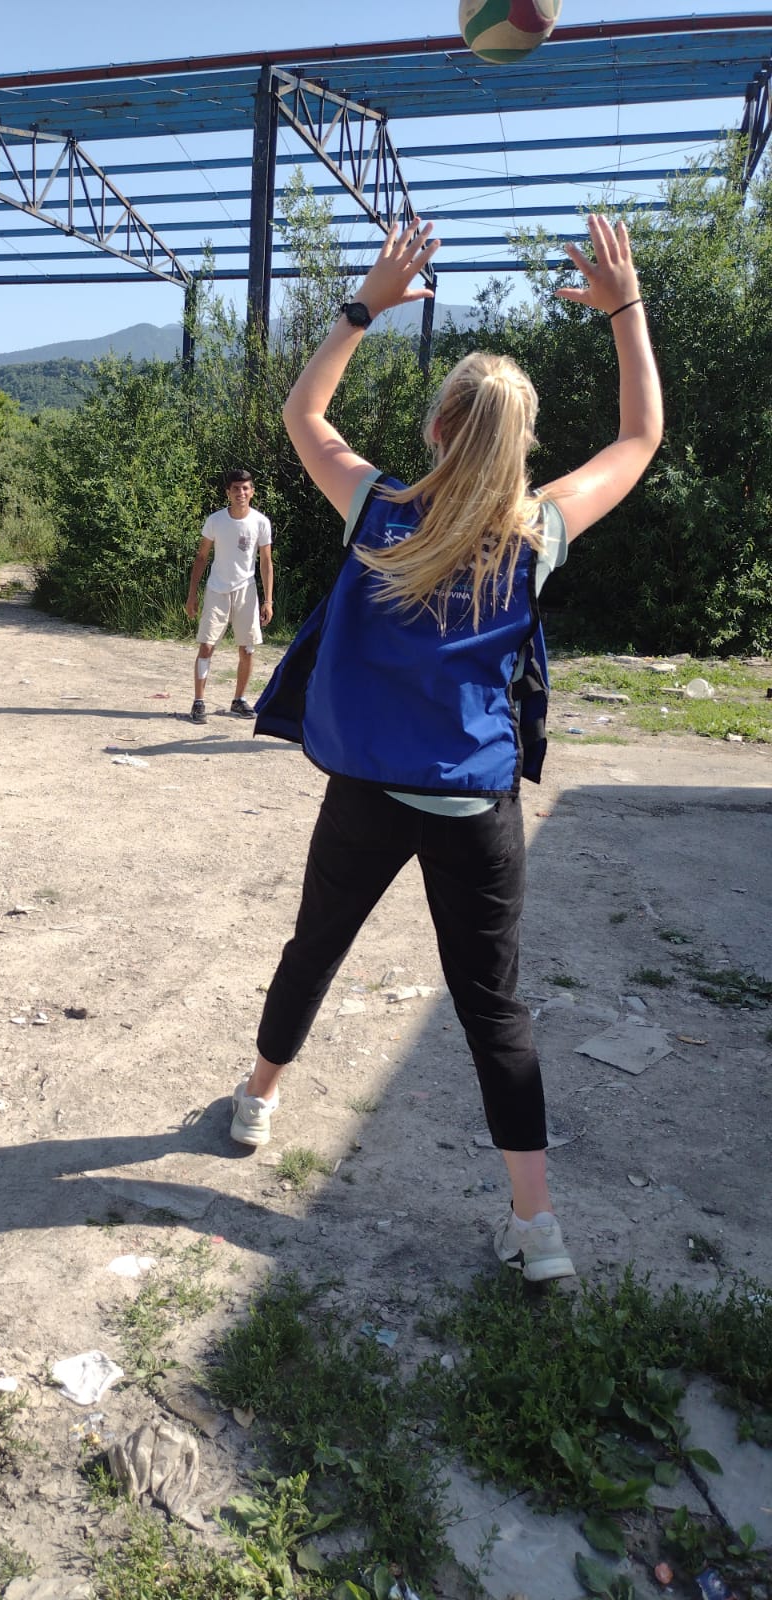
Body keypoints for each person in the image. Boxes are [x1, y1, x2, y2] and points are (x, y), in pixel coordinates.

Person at [230, 215, 663, 1283]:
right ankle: (537, 1228)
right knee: (493, 1007)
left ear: (435, 429)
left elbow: (303, 413)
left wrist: (364, 306)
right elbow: (638, 439)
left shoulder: (377, 509)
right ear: (521, 447)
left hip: (368, 789)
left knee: (314, 946)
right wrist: (624, 309)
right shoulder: (536, 532)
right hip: (473, 804)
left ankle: (257, 1100)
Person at [185, 469, 274, 724]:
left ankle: (239, 699)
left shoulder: (260, 522)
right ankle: (198, 701)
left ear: (252, 492)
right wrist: (192, 595)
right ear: (228, 492)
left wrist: (268, 600)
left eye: (245, 488)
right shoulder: (215, 520)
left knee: (247, 648)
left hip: (246, 590)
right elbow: (201, 557)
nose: (240, 493)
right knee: (207, 645)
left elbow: (266, 562)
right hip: (217, 589)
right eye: (236, 488)